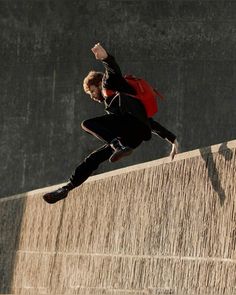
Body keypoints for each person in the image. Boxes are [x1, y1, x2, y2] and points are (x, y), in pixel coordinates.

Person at [43, 43, 178, 204]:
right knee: (94, 158)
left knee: (87, 124)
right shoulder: (118, 100)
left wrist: (105, 57)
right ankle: (67, 187)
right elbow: (149, 123)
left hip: (127, 127)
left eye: (92, 91)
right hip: (134, 136)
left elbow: (113, 69)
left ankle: (117, 146)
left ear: (98, 84)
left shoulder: (108, 83)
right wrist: (173, 140)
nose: (93, 96)